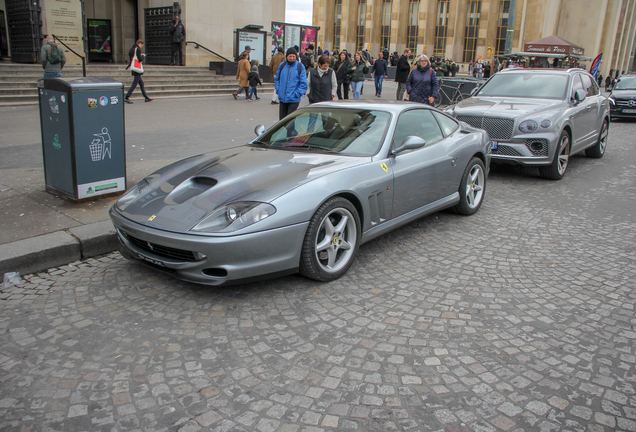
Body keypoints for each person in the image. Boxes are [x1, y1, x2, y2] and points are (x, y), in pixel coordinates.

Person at [275, 47, 308, 120]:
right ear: (287, 56)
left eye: (294, 56)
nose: (292, 58)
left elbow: (303, 83)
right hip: (283, 98)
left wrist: (297, 94)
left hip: (293, 99)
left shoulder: (300, 66)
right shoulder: (282, 65)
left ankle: (291, 132)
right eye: (290, 56)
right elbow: (277, 79)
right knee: (282, 121)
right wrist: (278, 90)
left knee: (290, 122)